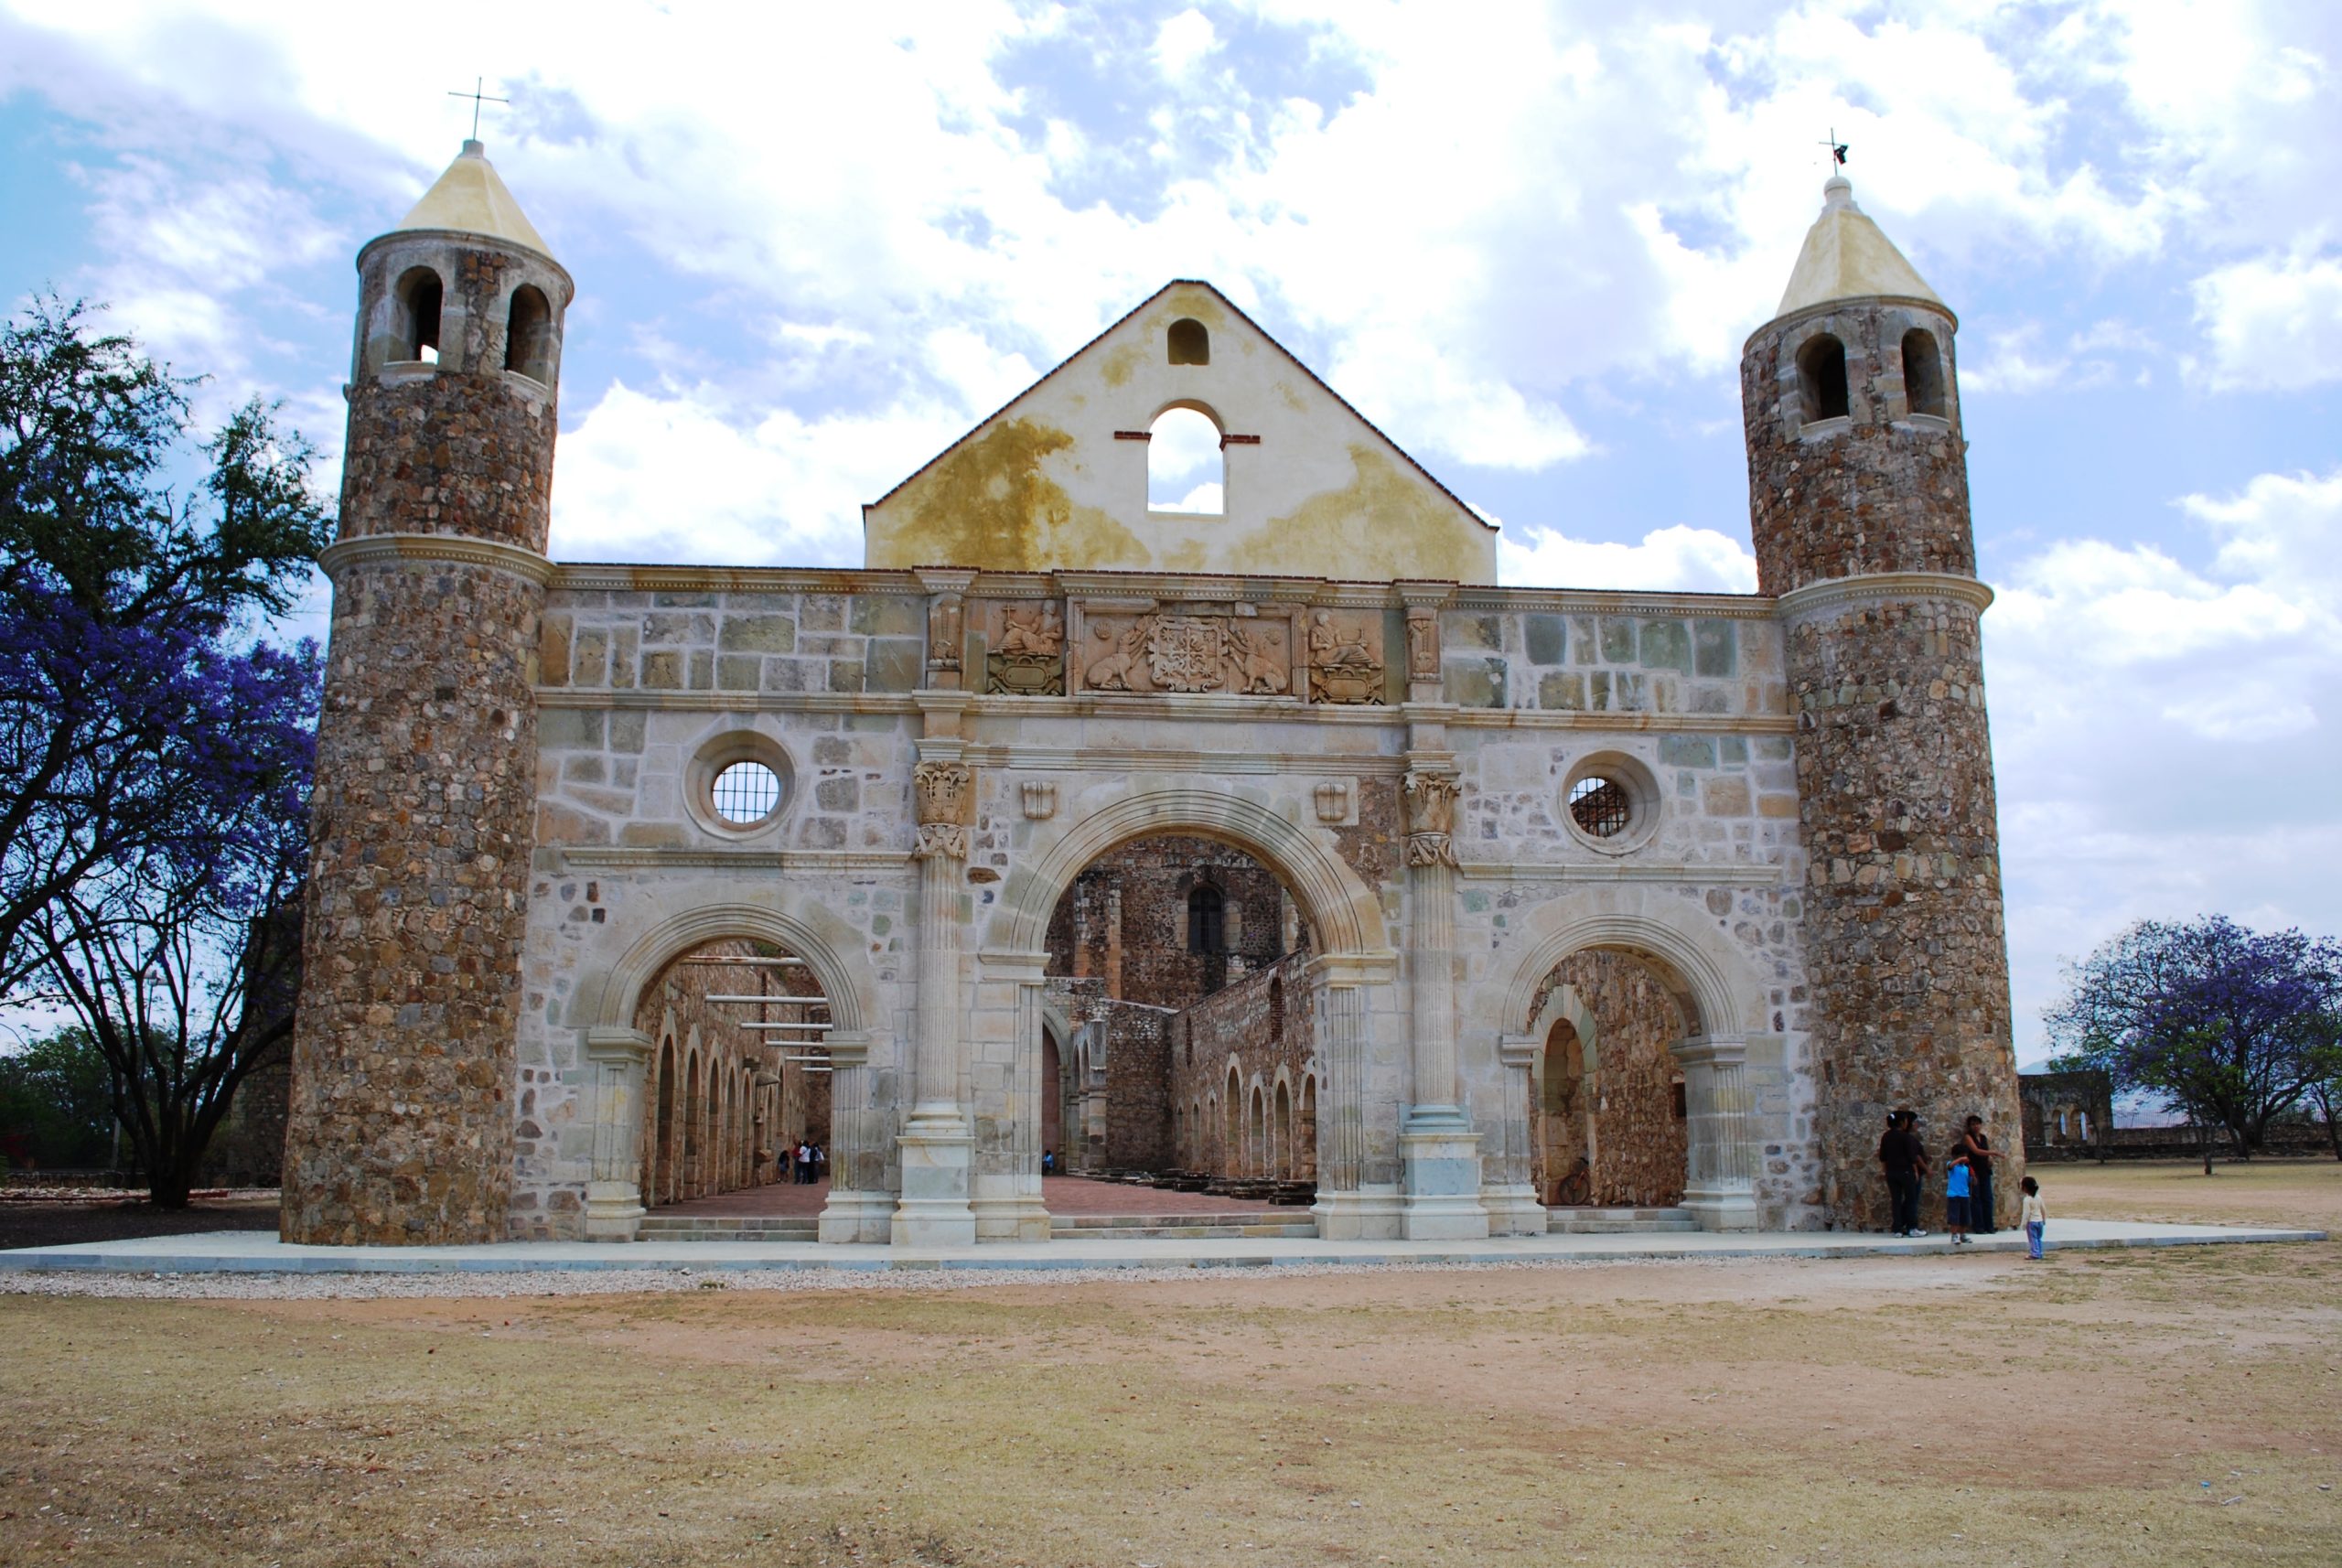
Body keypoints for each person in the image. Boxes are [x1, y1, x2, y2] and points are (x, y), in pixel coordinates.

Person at [1877, 1109, 1928, 1237]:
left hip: (1891, 1172)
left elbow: (1883, 1156)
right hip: (1905, 1171)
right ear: (1902, 1122)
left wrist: (1885, 1171)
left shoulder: (1886, 1136)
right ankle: (1912, 1228)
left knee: (1896, 1200)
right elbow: (1912, 1157)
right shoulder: (1906, 1137)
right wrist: (1916, 1172)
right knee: (1911, 1199)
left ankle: (1897, 1229)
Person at [1958, 1114, 2000, 1235]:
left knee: (1988, 1198)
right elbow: (1976, 1151)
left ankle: (1989, 1226)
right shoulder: (1968, 1137)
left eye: (1977, 1124)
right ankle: (1979, 1226)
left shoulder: (1983, 1138)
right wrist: (1994, 1153)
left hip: (1984, 1170)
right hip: (1974, 1170)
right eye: (1973, 1124)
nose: (1976, 1126)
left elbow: (1985, 1151)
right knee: (1976, 1199)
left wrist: (1990, 1158)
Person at [1944, 1149, 1973, 1246]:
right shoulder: (1952, 1165)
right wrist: (1960, 1159)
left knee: (1964, 1217)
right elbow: (1950, 1166)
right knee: (1954, 1217)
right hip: (1954, 1195)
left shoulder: (1966, 1168)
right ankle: (1954, 1235)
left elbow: (1970, 1181)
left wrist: (1973, 1176)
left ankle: (1963, 1234)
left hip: (1964, 1194)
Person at [2021, 1176, 2047, 1260]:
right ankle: (2039, 1252)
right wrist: (2044, 1219)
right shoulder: (2039, 1197)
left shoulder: (2027, 1200)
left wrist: (2024, 1224)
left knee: (2033, 1239)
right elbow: (2043, 1209)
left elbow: (2026, 1213)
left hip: (2032, 1222)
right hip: (2039, 1221)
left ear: (2025, 1188)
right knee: (2038, 1238)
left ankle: (2035, 1253)